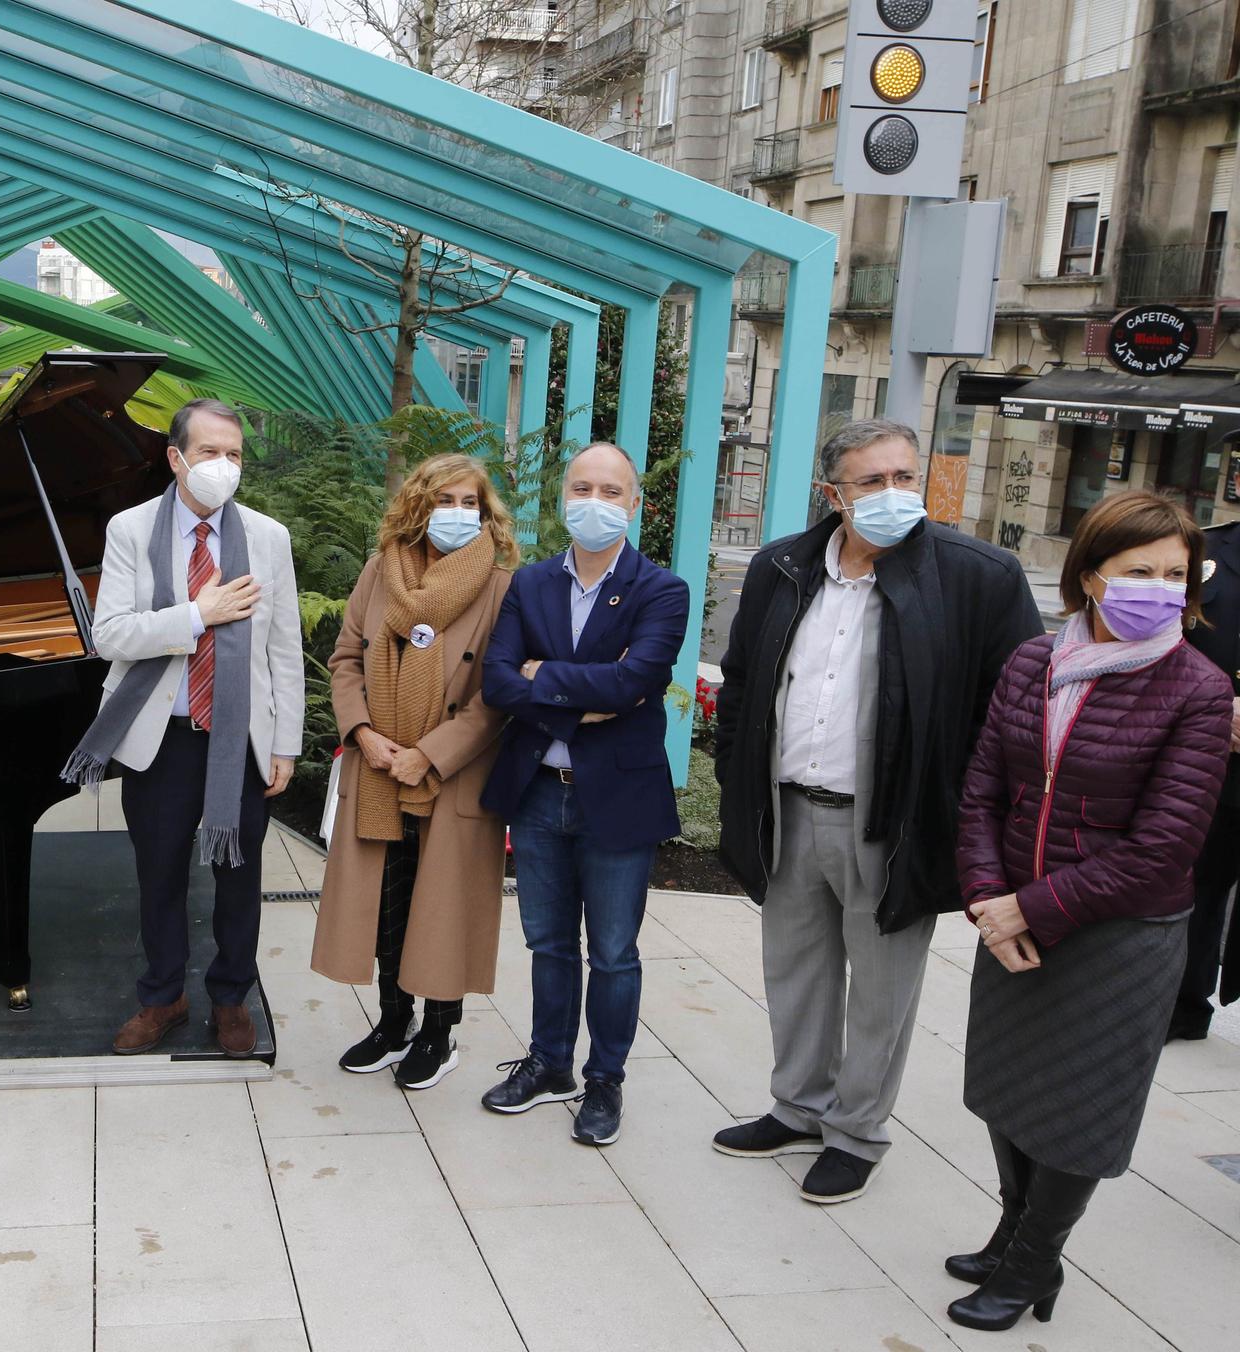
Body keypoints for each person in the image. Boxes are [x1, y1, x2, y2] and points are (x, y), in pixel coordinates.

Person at [711, 418, 1041, 1203]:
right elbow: (743, 683)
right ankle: (798, 1106)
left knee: (883, 989)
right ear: (833, 493)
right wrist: (736, 782)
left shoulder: (976, 576)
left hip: (892, 822)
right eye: (872, 481)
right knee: (795, 972)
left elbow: (1016, 714)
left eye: (904, 477)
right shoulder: (782, 567)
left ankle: (857, 1133)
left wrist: (970, 822)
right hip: (789, 810)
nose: (895, 495)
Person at [948, 491, 1230, 1331]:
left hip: (1120, 937)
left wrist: (1030, 908)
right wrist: (986, 898)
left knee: (1079, 1109)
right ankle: (1011, 1229)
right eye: (1139, 570)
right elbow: (983, 792)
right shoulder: (1034, 661)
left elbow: (1165, 845)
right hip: (1012, 915)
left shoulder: (1198, 687)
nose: (1160, 588)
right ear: (1091, 576)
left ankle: (1037, 1262)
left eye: (1176, 574)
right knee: (1006, 1088)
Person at [66, 398, 302, 1058]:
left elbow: (284, 647)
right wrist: (197, 614)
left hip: (241, 736)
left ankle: (230, 997)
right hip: (160, 736)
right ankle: (163, 995)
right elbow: (108, 635)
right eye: (209, 453)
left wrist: (286, 743)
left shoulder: (268, 538)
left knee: (239, 876)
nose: (223, 466)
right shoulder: (131, 530)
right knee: (160, 873)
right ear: (175, 458)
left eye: (234, 455)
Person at [477, 443, 689, 1145]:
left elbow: (635, 685)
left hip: (616, 799)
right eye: (581, 487)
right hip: (539, 791)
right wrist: (585, 693)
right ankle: (548, 1064)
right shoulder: (529, 583)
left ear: (634, 504)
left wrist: (549, 678)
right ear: (563, 496)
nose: (594, 501)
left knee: (615, 952)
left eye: (611, 490)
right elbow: (500, 683)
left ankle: (605, 1081)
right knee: (548, 942)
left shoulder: (662, 590)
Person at [311, 452, 517, 1090]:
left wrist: (428, 753)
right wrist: (363, 734)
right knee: (387, 902)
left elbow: (498, 694)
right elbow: (346, 656)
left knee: (443, 908)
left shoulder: (505, 584)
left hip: (451, 773)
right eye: (444, 500)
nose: (457, 515)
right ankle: (393, 1022)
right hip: (376, 768)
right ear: (417, 504)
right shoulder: (380, 573)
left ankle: (439, 1032)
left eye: (470, 504)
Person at [1170, 511, 1240, 1040]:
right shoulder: (1203, 549)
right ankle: (1182, 1005)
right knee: (1194, 885)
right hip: (1208, 758)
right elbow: (1163, 640)